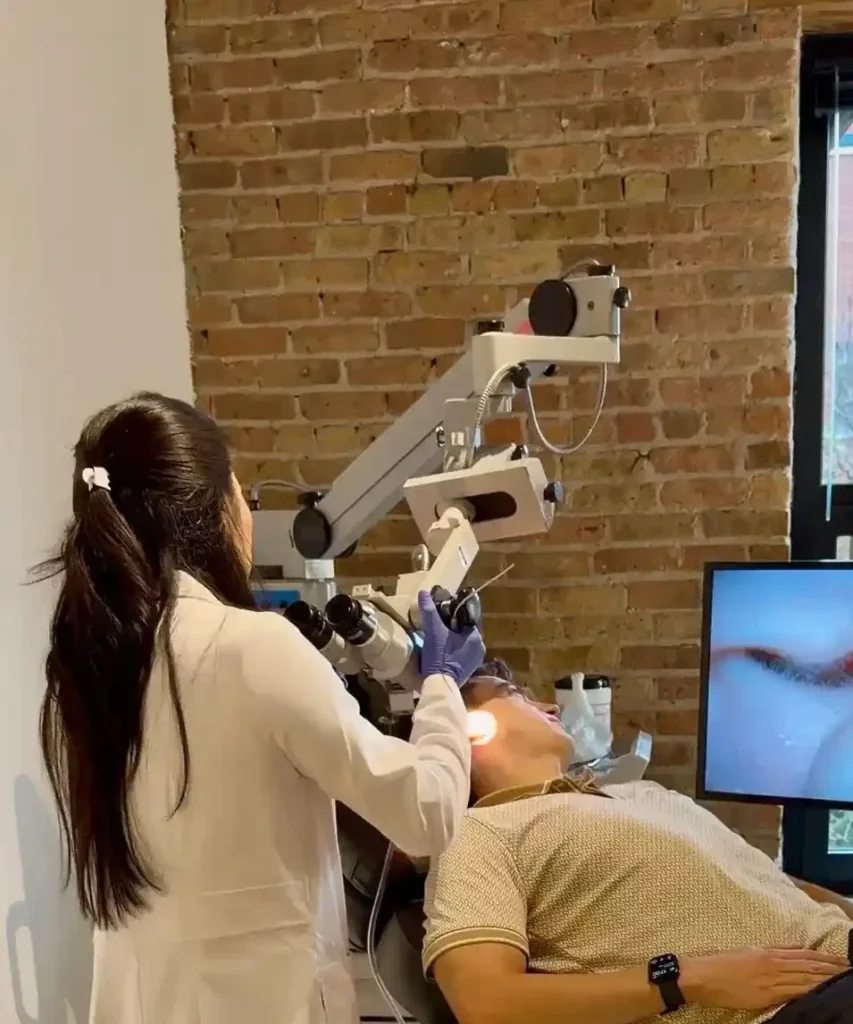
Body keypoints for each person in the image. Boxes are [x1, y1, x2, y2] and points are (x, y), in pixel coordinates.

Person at [37, 392, 485, 1024]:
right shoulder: (253, 647)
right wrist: (443, 682)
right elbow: (427, 812)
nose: (249, 516)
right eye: (245, 498)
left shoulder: (83, 673)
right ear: (211, 511)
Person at [423, 660, 853, 1024]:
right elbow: (486, 1003)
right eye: (516, 694)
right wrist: (687, 978)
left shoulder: (642, 794)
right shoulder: (479, 833)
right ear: (474, 727)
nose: (550, 704)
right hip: (795, 1008)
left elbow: (771, 882)